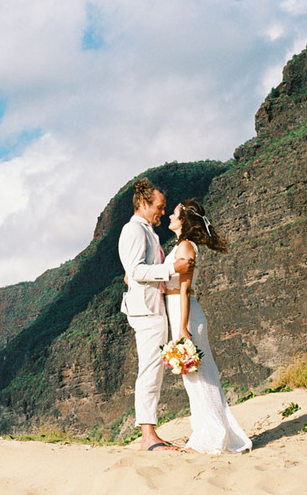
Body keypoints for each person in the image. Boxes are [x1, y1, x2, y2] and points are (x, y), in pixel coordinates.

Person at [164, 199, 252, 454]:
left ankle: (211, 438)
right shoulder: (182, 245)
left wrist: (182, 328)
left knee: (199, 376)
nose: (170, 216)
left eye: (175, 214)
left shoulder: (185, 246)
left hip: (186, 314)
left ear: (184, 220)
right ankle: (208, 434)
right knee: (194, 378)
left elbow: (184, 289)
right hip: (180, 312)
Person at [118, 178, 193, 451]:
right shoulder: (133, 230)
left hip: (152, 307)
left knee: (154, 370)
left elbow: (131, 273)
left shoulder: (147, 231)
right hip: (146, 310)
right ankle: (148, 436)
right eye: (159, 207)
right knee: (149, 370)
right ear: (143, 203)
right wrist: (172, 268)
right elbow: (136, 270)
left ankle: (150, 433)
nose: (163, 212)